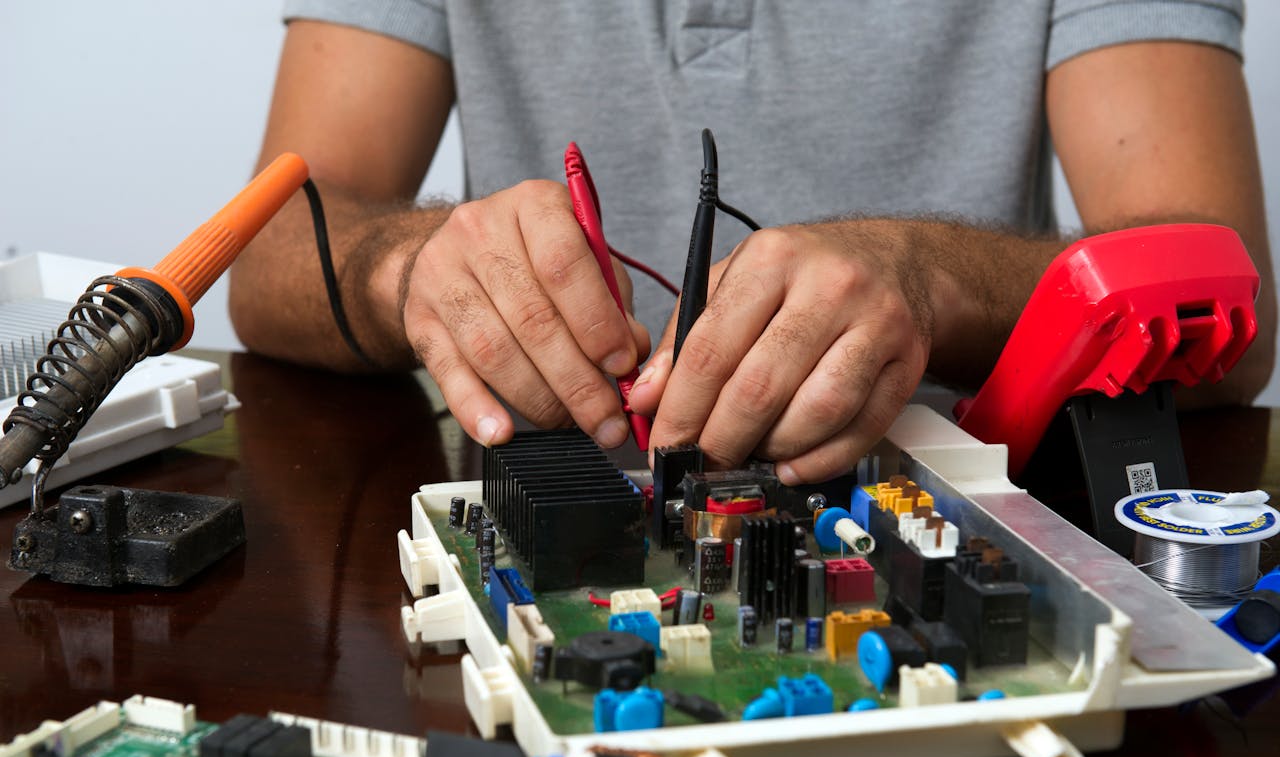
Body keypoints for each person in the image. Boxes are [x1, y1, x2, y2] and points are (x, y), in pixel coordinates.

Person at [230, 1, 1275, 485]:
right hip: (541, 509)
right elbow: (271, 254)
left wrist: (929, 282)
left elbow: (1228, 300)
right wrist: (415, 272)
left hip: (941, 510)